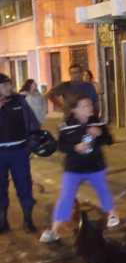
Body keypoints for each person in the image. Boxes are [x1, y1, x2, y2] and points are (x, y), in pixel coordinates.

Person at [39, 95, 119, 243]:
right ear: (75, 110)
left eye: (90, 105)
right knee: (66, 197)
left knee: (103, 190)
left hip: (95, 166)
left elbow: (109, 140)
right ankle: (54, 230)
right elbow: (61, 146)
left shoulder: (98, 121)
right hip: (74, 168)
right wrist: (75, 147)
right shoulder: (66, 125)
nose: (89, 108)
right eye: (85, 106)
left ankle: (112, 215)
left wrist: (100, 133)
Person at [0, 73, 39, 233]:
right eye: (4, 85)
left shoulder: (19, 101)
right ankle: (2, 221)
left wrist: (32, 145)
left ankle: (28, 219)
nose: (9, 87)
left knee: (24, 185)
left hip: (19, 152)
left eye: (9, 84)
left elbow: (32, 123)